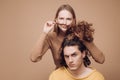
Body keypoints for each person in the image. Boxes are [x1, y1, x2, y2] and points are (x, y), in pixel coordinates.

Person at [30, 4, 105, 68]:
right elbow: (34, 58)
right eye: (61, 18)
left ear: (73, 20)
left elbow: (101, 59)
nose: (65, 22)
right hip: (61, 77)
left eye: (68, 19)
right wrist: (44, 32)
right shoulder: (51, 37)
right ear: (56, 19)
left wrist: (84, 39)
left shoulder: (79, 34)